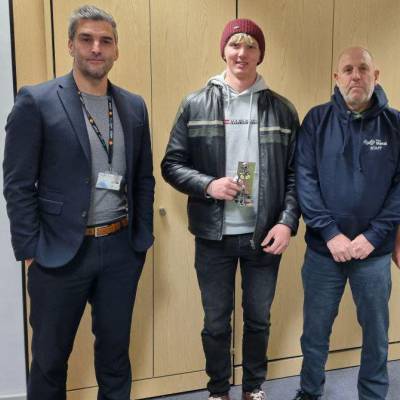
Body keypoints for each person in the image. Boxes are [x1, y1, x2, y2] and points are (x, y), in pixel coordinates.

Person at [3, 5, 154, 400]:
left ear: (116, 50)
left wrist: (141, 240)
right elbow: (17, 183)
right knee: (50, 361)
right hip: (58, 253)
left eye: (105, 41)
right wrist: (30, 250)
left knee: (115, 359)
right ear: (71, 44)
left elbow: (143, 178)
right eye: (86, 39)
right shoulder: (36, 101)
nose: (96, 48)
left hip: (120, 250)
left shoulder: (134, 106)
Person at [161, 18, 299, 400]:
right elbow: (171, 164)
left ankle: (253, 389)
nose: (242, 53)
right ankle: (218, 391)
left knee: (258, 320)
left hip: (264, 236)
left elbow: (295, 176)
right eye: (235, 45)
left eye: (251, 45)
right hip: (213, 235)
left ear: (260, 54)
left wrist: (287, 223)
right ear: (224, 50)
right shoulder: (195, 103)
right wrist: (208, 184)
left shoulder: (283, 110)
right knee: (216, 323)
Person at [293, 47, 400, 400]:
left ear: (376, 75)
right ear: (336, 78)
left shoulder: (396, 125)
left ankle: (373, 395)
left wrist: (374, 235)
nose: (356, 75)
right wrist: (330, 233)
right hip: (325, 253)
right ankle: (309, 392)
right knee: (314, 333)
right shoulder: (316, 120)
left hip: (374, 254)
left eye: (363, 69)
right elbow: (305, 180)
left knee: (375, 334)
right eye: (348, 69)